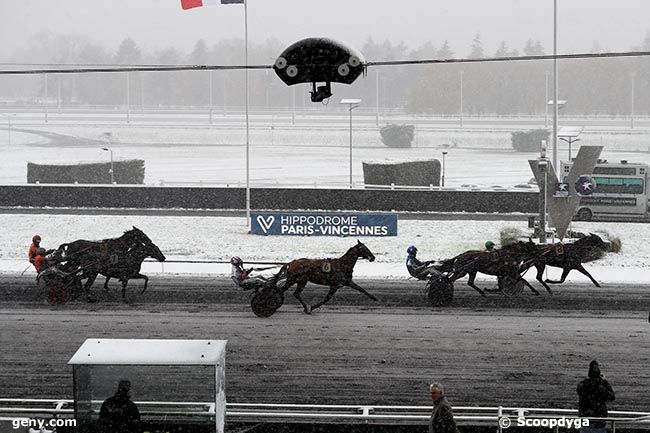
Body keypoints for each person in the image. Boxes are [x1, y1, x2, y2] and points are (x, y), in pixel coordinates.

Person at [577, 360, 615, 433]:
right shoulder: (600, 387)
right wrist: (605, 381)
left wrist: (587, 380)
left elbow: (579, 390)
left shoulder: (583, 385)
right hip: (599, 422)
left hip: (586, 421)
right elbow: (611, 396)